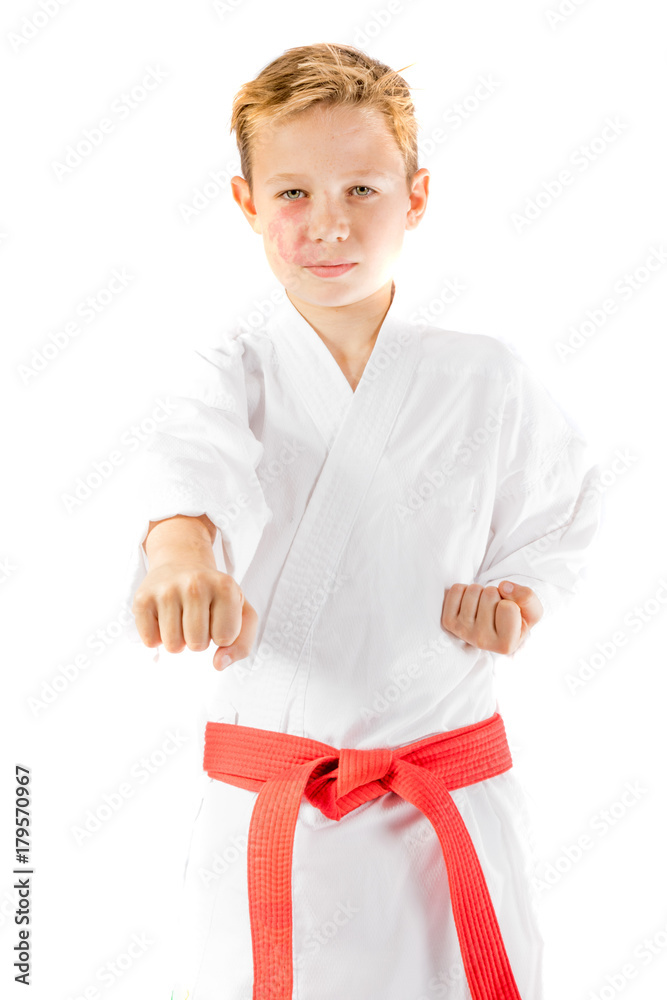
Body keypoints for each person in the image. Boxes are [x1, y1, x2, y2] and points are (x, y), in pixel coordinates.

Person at [122, 42, 602, 1000]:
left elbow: (558, 515)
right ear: (245, 203)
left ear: (416, 197)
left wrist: (515, 598)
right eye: (292, 193)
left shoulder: (485, 377)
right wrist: (179, 553)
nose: (327, 223)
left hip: (446, 809)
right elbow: (189, 471)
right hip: (273, 814)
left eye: (362, 190)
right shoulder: (225, 374)